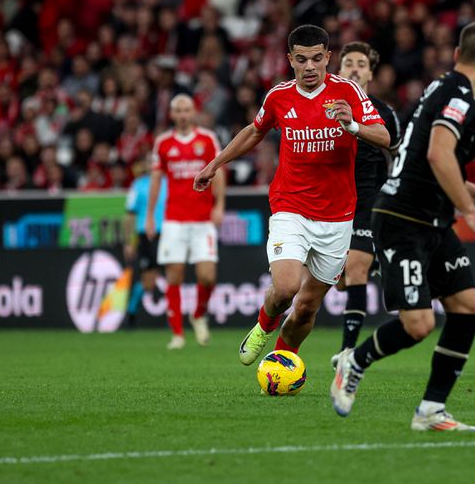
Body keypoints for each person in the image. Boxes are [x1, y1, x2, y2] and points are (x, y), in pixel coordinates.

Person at [330, 22, 475, 432]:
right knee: (419, 325)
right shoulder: (459, 96)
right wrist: (470, 211)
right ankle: (354, 362)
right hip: (403, 219)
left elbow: (416, 156)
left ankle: (431, 409)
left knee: (468, 307)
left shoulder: (439, 88)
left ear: (456, 55)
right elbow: (437, 154)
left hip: (430, 218)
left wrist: (472, 191)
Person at [193, 24, 391, 365]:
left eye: (317, 59)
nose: (310, 67)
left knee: (306, 307)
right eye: (302, 60)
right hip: (290, 207)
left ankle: (282, 360)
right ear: (290, 60)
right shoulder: (278, 96)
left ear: (328, 57)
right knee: (286, 289)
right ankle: (262, 326)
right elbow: (254, 132)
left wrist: (353, 126)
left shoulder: (348, 93)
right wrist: (215, 164)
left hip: (338, 216)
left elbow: (385, 137)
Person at [332, 42, 401, 362]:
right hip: (329, 203)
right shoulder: (324, 106)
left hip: (368, 200)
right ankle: (371, 263)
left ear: (371, 73)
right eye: (348, 63)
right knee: (342, 281)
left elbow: (400, 155)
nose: (355, 68)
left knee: (355, 269)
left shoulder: (384, 113)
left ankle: (347, 351)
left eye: (361, 63)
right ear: (339, 70)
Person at [148, 95, 225, 350]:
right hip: (174, 220)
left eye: (186, 110)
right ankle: (178, 335)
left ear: (194, 112)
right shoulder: (163, 143)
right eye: (178, 110)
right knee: (174, 276)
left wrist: (219, 205)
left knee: (207, 276)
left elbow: (219, 171)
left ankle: (199, 313)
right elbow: (156, 180)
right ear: (172, 114)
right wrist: (149, 216)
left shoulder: (207, 139)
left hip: (203, 220)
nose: (182, 115)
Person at [122, 157, 167, 328]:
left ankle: (174, 318)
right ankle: (131, 312)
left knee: (173, 274)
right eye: (150, 161)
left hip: (169, 234)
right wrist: (128, 242)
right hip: (147, 236)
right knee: (148, 280)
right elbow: (130, 214)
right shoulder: (138, 185)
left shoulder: (169, 183)